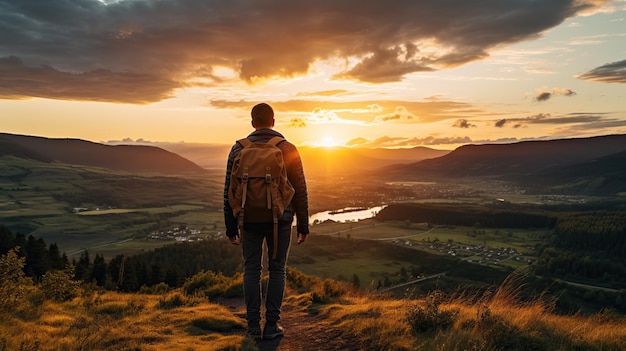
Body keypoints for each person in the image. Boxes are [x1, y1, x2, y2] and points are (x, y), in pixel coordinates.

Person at [223, 102, 309, 340]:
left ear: (252, 123)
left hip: (247, 219)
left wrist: (231, 225)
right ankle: (271, 325)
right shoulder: (287, 147)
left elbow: (228, 189)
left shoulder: (237, 149)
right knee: (277, 268)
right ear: (273, 121)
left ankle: (252, 326)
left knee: (251, 269)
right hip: (280, 219)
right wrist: (303, 225)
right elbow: (300, 189)